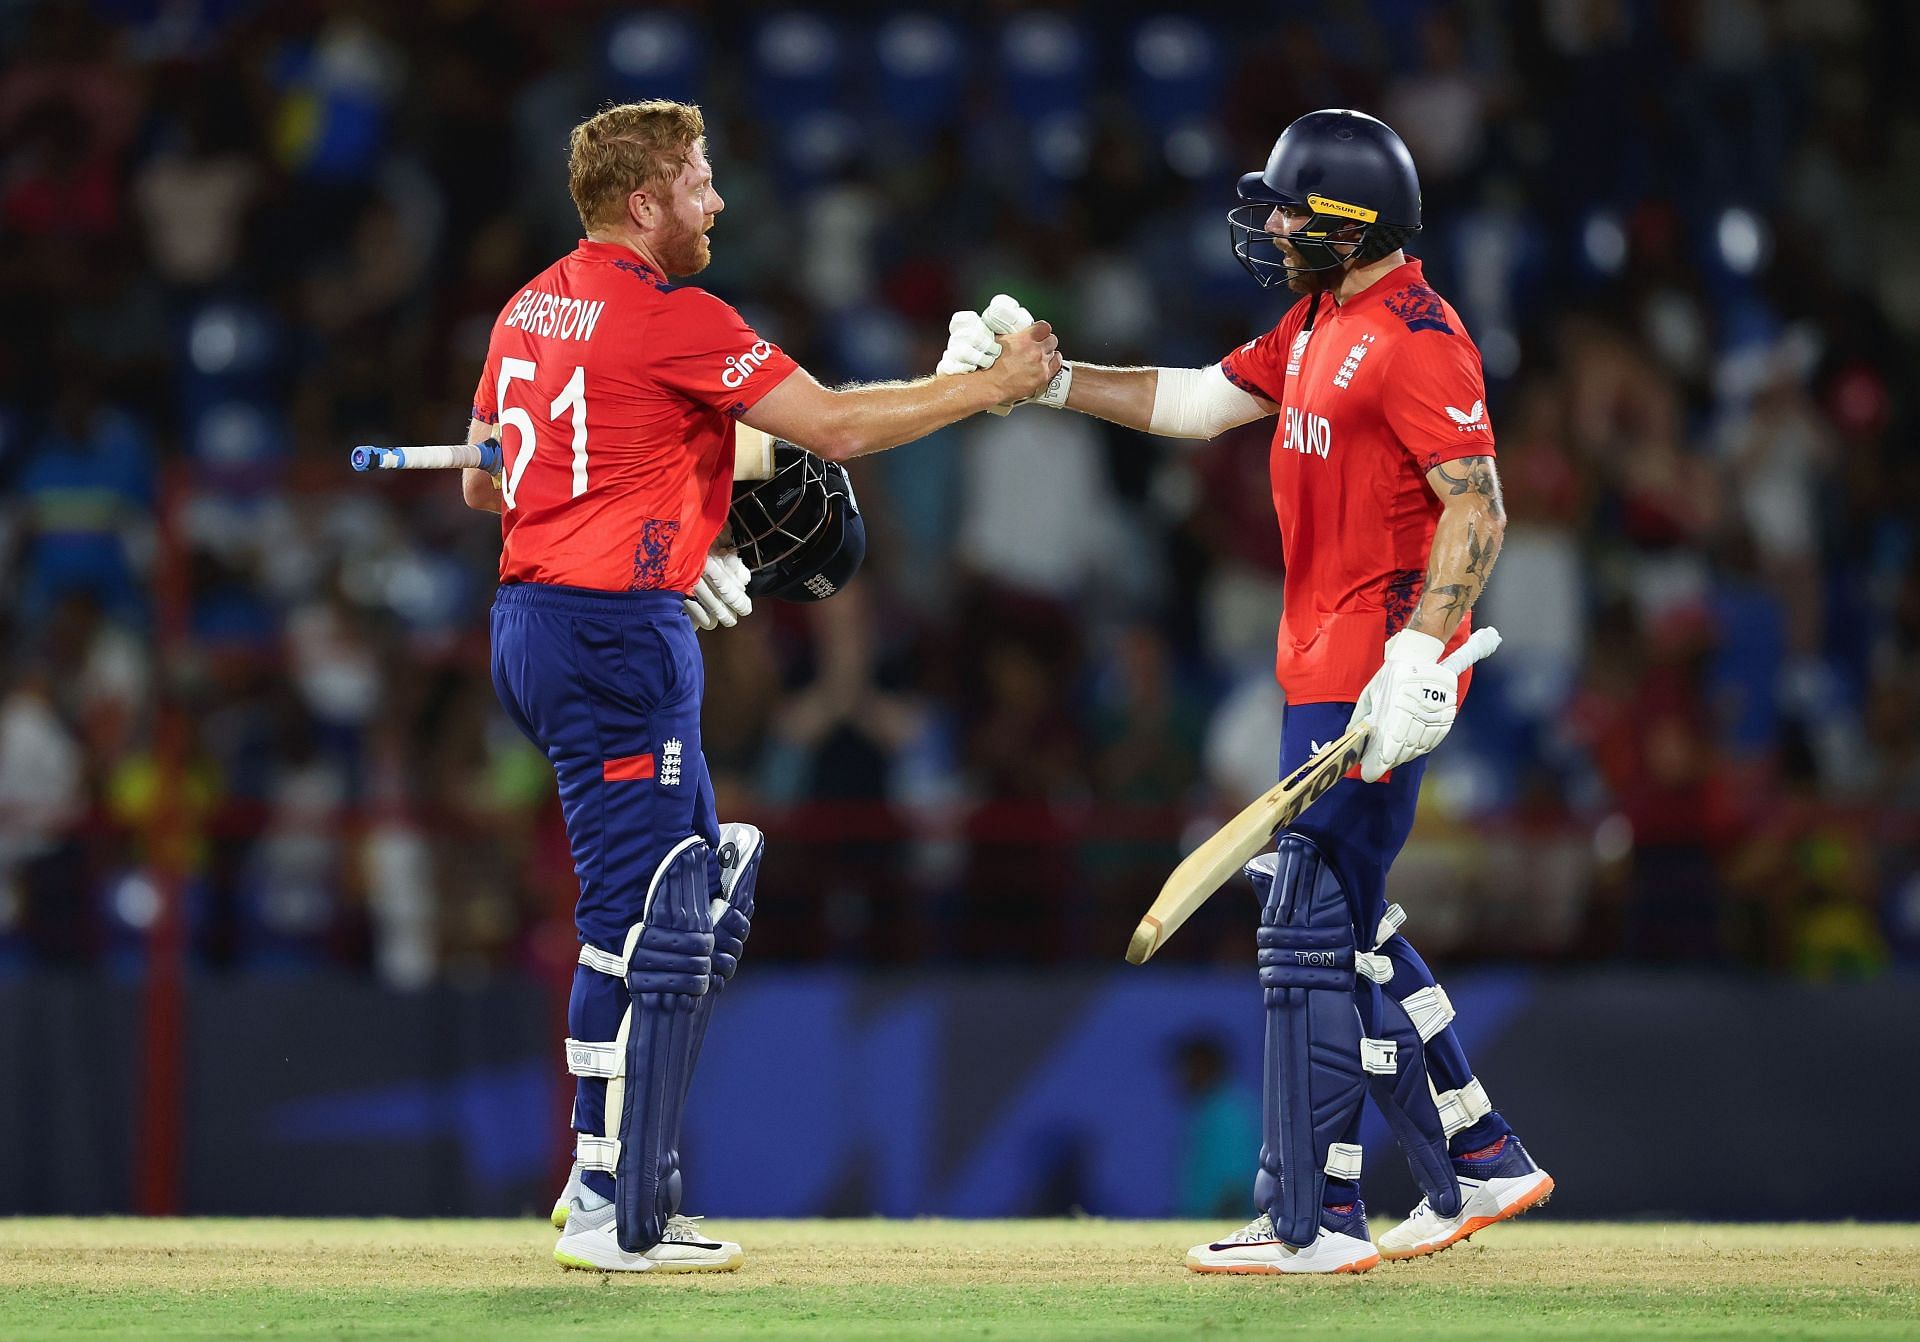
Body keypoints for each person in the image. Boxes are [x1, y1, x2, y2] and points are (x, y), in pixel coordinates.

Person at [460, 99, 1059, 1273]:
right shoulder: (672, 316)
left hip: (535, 621)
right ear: (646, 203)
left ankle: (618, 1183)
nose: (718, 200)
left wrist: (666, 521)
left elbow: (489, 484)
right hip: (615, 634)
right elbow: (828, 428)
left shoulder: (528, 305)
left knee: (671, 903)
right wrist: (985, 391)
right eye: (699, 182)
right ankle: (609, 1203)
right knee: (646, 916)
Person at [952, 109, 1552, 1274]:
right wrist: (1048, 383)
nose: (1272, 225)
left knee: (1309, 931)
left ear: (1348, 220)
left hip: (1378, 671)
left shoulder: (1423, 334)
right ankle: (1473, 1154)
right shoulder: (1322, 319)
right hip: (1323, 664)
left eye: (1289, 208)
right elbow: (1195, 403)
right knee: (1346, 929)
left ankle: (1316, 1218)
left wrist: (1423, 655)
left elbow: (1477, 504)